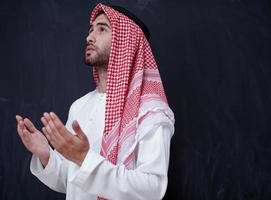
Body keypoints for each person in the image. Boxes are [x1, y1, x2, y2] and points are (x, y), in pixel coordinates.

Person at [15, 3, 175, 200]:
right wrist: (46, 155)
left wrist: (84, 158)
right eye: (90, 30)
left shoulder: (150, 111)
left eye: (102, 29)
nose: (89, 37)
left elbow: (152, 189)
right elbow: (71, 180)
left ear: (125, 41)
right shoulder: (80, 106)